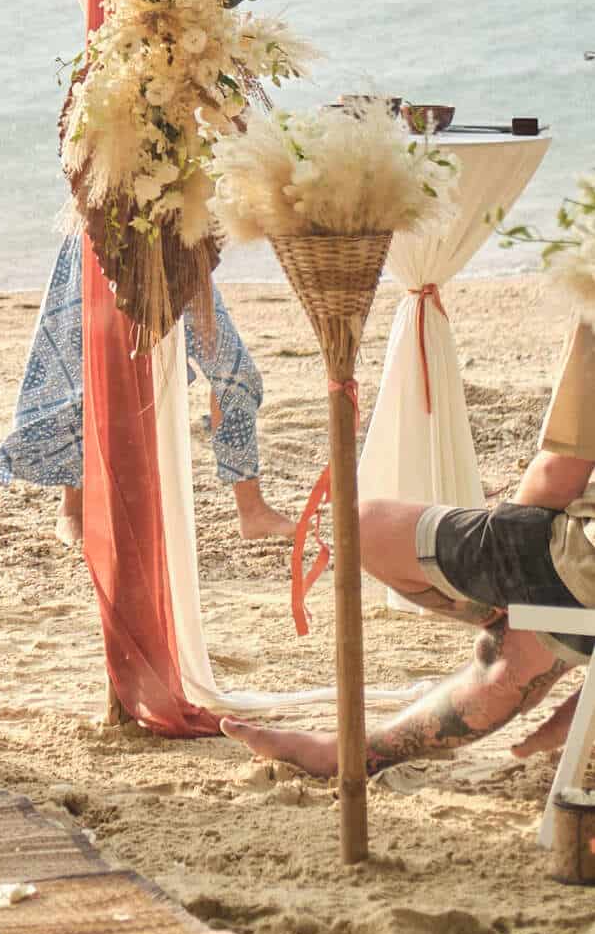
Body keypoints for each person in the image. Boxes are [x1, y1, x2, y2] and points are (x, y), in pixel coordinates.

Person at [222, 317, 595, 778]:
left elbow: (558, 473)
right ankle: (535, 652)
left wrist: (503, 560)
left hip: (573, 566)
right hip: (583, 591)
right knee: (508, 672)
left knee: (355, 527)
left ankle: (515, 630)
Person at [0, 228, 296, 547]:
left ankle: (251, 510)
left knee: (238, 375)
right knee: (93, 376)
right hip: (106, 240)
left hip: (179, 246)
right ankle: (73, 508)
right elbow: (79, 181)